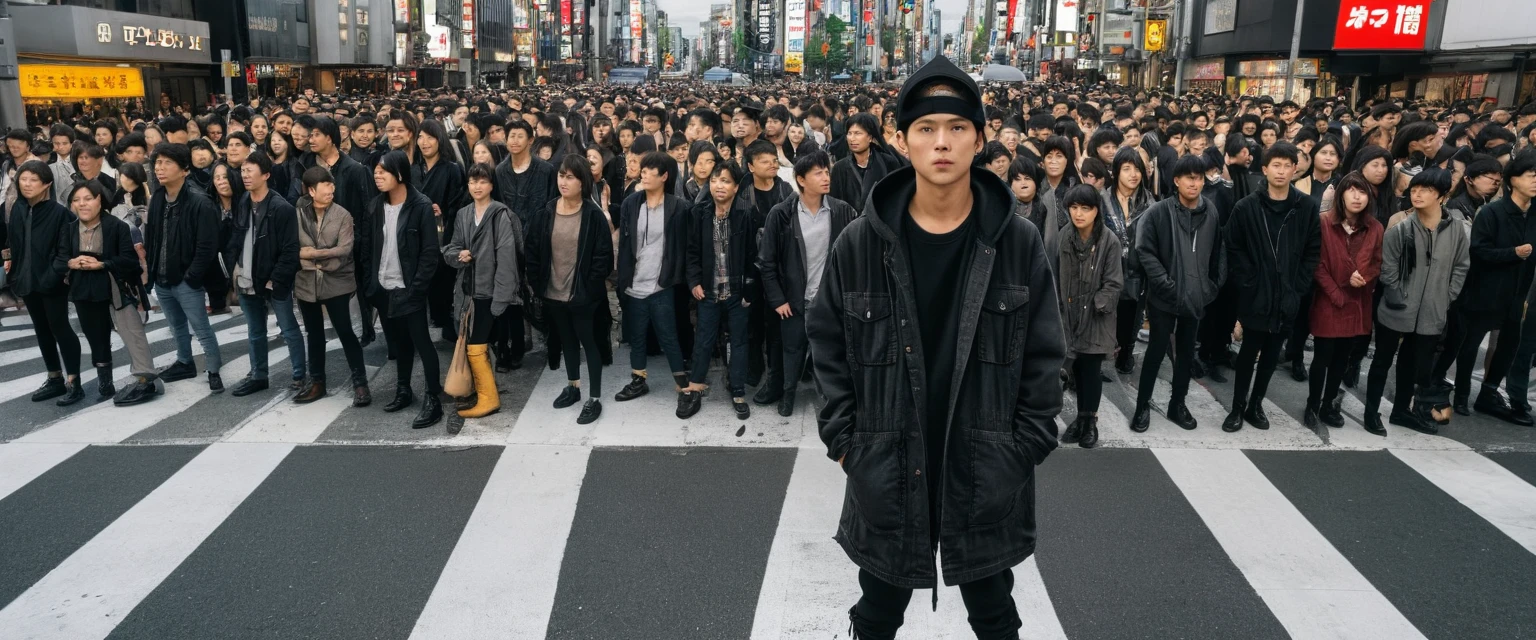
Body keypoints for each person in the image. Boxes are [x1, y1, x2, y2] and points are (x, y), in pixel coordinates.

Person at [807, 56, 1063, 640]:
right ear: (900, 138)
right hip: (890, 460)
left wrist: (1022, 449)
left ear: (979, 138)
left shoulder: (1017, 242)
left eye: (956, 127)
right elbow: (827, 346)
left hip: (986, 462)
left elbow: (1046, 356)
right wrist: (848, 444)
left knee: (995, 612)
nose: (941, 142)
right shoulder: (861, 242)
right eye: (925, 128)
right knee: (876, 610)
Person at [1220, 142, 1321, 433]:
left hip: (1287, 294)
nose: (1280, 171)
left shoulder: (1306, 207)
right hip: (1255, 294)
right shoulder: (1246, 207)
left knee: (1272, 354)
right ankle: (1237, 407)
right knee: (1248, 353)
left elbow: (1312, 251)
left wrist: (1299, 285)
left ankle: (1256, 404)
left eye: (1286, 165)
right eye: (1275, 165)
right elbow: (1233, 247)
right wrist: (1248, 280)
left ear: (1294, 169)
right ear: (1264, 169)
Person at [1432, 152, 1536, 424]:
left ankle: (1489, 393)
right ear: (1513, 180)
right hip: (1483, 291)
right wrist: (1513, 253)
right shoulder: (1492, 212)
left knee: (1508, 346)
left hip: (1518, 294)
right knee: (1470, 343)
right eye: (1531, 176)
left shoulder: (1534, 213)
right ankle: (1462, 395)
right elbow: (1478, 252)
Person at [1369, 168, 1470, 434]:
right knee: (1382, 360)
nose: (1417, 194)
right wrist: (1398, 296)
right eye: (1414, 189)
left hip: (1432, 310)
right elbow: (1387, 269)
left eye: (1425, 189)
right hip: (1396, 308)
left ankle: (1401, 411)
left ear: (1442, 195)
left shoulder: (1456, 229)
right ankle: (1371, 412)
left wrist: (1446, 297)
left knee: (1411, 364)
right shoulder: (1400, 229)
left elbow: (1461, 266)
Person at [1131, 154, 1226, 432]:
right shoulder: (1159, 212)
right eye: (1188, 177)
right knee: (1156, 351)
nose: (1194, 183)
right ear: (1176, 180)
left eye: (1199, 178)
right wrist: (1164, 283)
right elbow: (1144, 250)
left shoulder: (1210, 211)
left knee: (1186, 353)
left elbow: (1217, 253)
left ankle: (1177, 404)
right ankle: (1142, 406)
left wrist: (1211, 286)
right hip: (1164, 297)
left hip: (1195, 297)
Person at [759, 150, 858, 416]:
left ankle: (831, 400)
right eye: (818, 172)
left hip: (829, 300)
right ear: (801, 179)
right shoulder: (781, 214)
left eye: (827, 171)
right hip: (793, 299)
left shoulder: (842, 211)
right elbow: (767, 262)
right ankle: (787, 394)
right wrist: (778, 299)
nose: (826, 177)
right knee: (791, 349)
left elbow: (854, 257)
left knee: (829, 353)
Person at [526, 154, 613, 425]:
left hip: (582, 296)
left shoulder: (593, 215)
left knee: (590, 342)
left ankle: (594, 397)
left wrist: (587, 288)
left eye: (570, 177)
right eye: (561, 176)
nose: (564, 181)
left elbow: (604, 258)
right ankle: (573, 386)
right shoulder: (546, 212)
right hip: (553, 293)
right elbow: (532, 250)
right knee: (566, 341)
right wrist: (537, 282)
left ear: (582, 181)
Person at [363, 150, 444, 429]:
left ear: (399, 174)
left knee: (422, 341)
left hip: (410, 288)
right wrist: (371, 284)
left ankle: (434, 399)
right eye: (376, 171)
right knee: (399, 343)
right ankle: (403, 389)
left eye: (383, 171)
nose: (377, 175)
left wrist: (417, 289)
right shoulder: (375, 205)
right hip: (384, 286)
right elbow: (369, 247)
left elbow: (430, 253)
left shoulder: (420, 205)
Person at [443, 163, 523, 426]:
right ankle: (481, 392)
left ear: (491, 185)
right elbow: (451, 247)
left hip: (490, 292)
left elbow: (507, 261)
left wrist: (501, 299)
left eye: (482, 181)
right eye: (472, 182)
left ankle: (489, 397)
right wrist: (458, 255)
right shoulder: (464, 214)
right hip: (467, 291)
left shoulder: (501, 215)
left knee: (477, 344)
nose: (477, 186)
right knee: (473, 343)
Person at [1305, 172, 1383, 430]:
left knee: (1342, 358)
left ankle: (1329, 404)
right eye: (1351, 191)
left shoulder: (1375, 227)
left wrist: (1366, 276)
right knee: (1322, 357)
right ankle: (1312, 404)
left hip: (1356, 302)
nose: (1357, 197)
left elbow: (1377, 262)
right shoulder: (1324, 222)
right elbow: (1316, 263)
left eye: (1362, 192)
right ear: (1341, 195)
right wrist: (1336, 291)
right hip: (1328, 299)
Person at [678, 162, 756, 420]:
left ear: (736, 187)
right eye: (714, 180)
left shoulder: (747, 214)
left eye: (725, 181)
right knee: (703, 340)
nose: (718, 186)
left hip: (736, 292)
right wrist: (694, 282)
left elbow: (755, 257)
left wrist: (748, 291)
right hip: (708, 291)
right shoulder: (699, 213)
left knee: (740, 342)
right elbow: (691, 252)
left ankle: (737, 390)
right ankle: (695, 388)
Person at [223, 151, 305, 397]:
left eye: (250, 171)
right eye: (243, 171)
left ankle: (300, 376)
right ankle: (259, 375)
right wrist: (233, 270)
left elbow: (291, 250)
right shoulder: (242, 203)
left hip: (273, 280)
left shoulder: (282, 208)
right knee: (255, 330)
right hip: (247, 276)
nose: (245, 176)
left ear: (266, 175)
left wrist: (275, 279)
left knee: (289, 328)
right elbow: (235, 240)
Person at [145, 143, 225, 392]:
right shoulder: (158, 197)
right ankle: (184, 361)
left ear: (184, 170)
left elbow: (207, 246)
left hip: (186, 279)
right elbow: (152, 237)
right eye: (158, 163)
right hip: (162, 275)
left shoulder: (200, 201)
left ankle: (213, 369)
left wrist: (192, 277)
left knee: (201, 326)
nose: (160, 168)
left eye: (167, 163)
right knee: (176, 325)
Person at [1049, 184, 1123, 449]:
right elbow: (1055, 275)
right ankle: (1079, 421)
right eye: (1074, 207)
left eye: (1085, 208)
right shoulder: (1064, 236)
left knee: (1091, 370)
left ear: (1096, 210)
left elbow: (1114, 283)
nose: (1078, 213)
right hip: (1067, 315)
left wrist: (1096, 305)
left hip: (1096, 317)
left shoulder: (1109, 240)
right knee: (1076, 369)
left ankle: (1090, 421)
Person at [614, 151, 691, 404]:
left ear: (664, 176)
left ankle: (683, 386)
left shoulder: (678, 206)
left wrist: (677, 277)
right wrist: (623, 279)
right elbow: (626, 245)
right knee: (637, 337)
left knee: (669, 336)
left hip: (662, 284)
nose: (644, 174)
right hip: (634, 283)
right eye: (642, 170)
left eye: (650, 171)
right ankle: (638, 380)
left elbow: (683, 247)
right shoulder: (631, 203)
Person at [292, 166, 371, 407]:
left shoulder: (343, 215)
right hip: (306, 283)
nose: (331, 190)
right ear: (311, 190)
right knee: (314, 334)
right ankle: (317, 382)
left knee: (345, 331)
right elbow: (294, 247)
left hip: (337, 282)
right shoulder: (298, 211)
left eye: (332, 185)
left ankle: (360, 383)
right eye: (326, 186)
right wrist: (311, 256)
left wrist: (313, 254)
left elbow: (345, 250)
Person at [5, 161, 83, 403]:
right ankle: (54, 378)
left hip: (52, 282)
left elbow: (65, 251)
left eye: (33, 180)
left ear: (47, 184)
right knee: (41, 330)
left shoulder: (60, 213)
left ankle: (74, 382)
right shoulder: (18, 208)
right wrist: (13, 270)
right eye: (23, 179)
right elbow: (13, 241)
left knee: (60, 328)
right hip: (26, 280)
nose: (26, 184)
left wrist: (53, 275)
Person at [1103, 148, 1152, 375]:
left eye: (1137, 169)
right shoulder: (1103, 200)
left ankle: (1126, 353)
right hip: (1108, 270)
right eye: (1127, 169)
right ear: (1116, 172)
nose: (1133, 174)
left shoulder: (1150, 203)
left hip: (1137, 271)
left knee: (1132, 316)